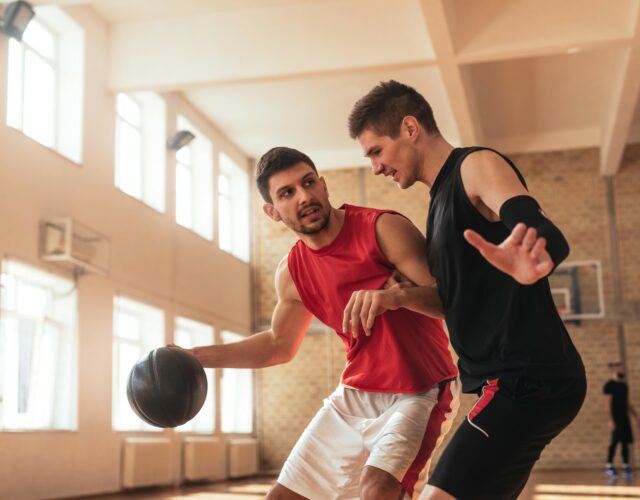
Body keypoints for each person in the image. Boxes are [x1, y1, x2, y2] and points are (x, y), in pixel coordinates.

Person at [173, 146, 459, 499]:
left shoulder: (382, 228)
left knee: (377, 491)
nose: (304, 196)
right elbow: (278, 345)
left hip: (420, 389)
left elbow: (450, 303)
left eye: (308, 183)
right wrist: (195, 356)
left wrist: (397, 298)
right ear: (272, 211)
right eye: (287, 192)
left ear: (323, 185)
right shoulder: (292, 272)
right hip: (355, 395)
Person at [346, 80, 586, 500]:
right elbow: (451, 302)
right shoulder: (438, 205)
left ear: (409, 128)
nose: (376, 168)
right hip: (515, 381)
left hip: (527, 379)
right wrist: (397, 298)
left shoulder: (474, 166)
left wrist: (535, 255)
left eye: (376, 152)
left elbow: (542, 230)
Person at [604, 362, 636, 479]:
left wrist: (636, 416)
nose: (623, 371)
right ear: (615, 370)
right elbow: (607, 405)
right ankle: (609, 466)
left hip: (625, 418)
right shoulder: (609, 386)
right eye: (621, 369)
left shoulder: (624, 386)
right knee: (614, 442)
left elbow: (627, 403)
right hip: (615, 418)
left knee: (625, 442)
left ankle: (626, 466)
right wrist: (610, 420)